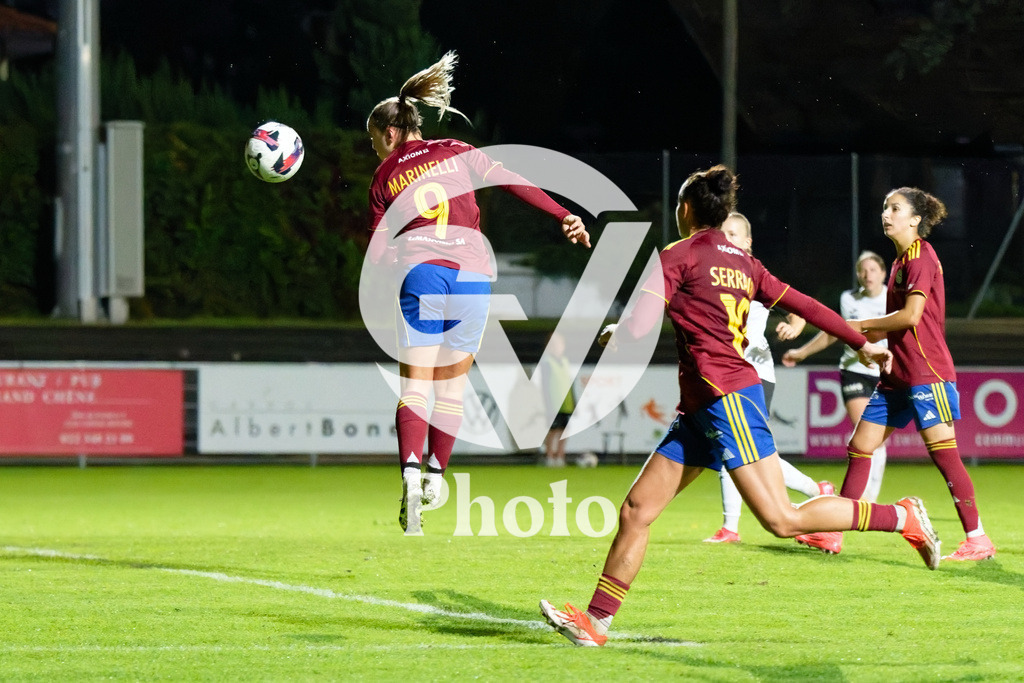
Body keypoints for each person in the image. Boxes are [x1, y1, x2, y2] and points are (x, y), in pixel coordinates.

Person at [539, 166, 941, 648]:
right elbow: (808, 306)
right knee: (637, 510)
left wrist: (618, 333)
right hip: (701, 408)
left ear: (685, 209)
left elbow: (642, 325)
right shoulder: (744, 263)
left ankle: (902, 517)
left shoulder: (677, 255)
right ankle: (596, 623)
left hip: (727, 399)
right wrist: (861, 342)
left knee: (782, 520)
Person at [365, 52, 590, 535]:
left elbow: (379, 253)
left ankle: (409, 471)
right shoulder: (454, 150)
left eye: (373, 142)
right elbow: (512, 181)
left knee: (415, 386)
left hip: (423, 273)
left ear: (388, 134)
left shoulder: (385, 177)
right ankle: (436, 475)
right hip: (471, 279)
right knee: (451, 387)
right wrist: (562, 216)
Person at [828, 187, 995, 561]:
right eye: (885, 207)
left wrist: (859, 325)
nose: (886, 214)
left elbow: (911, 317)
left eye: (895, 208)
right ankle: (833, 532)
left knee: (945, 455)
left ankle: (978, 538)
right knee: (860, 447)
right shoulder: (901, 261)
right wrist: (882, 349)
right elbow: (899, 325)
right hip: (898, 375)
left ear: (915, 220)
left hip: (927, 371)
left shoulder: (921, 256)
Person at [704, 212, 833, 544]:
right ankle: (816, 489)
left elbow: (800, 310)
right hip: (727, 375)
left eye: (734, 234)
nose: (727, 239)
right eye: (723, 234)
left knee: (736, 451)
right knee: (744, 453)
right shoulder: (716, 276)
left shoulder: (753, 276)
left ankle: (731, 528)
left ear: (748, 242)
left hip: (754, 375)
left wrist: (794, 327)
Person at [780, 251, 889, 512]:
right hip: (855, 372)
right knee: (865, 434)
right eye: (863, 270)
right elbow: (835, 332)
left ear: (883, 274)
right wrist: (802, 352)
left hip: (886, 372)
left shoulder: (893, 299)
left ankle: (868, 500)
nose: (868, 275)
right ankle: (862, 502)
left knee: (877, 441)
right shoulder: (848, 299)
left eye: (873, 269)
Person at [540, 331, 575, 468]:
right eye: (553, 344)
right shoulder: (546, 362)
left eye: (559, 343)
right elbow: (545, 384)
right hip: (553, 403)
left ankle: (561, 455)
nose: (557, 346)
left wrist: (574, 401)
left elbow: (569, 382)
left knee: (564, 430)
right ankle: (550, 456)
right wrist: (547, 403)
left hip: (567, 402)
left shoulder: (565, 361)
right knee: (553, 430)